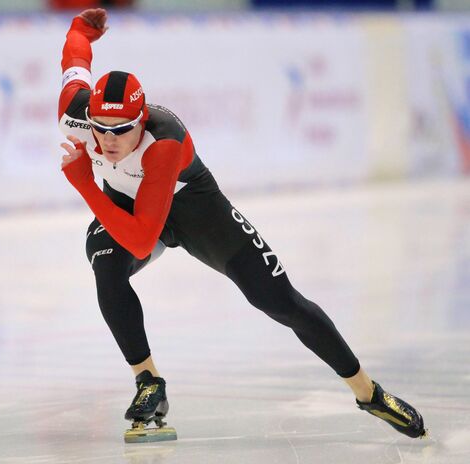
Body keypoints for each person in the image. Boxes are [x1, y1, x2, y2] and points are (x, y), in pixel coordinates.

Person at [58, 8, 426, 440]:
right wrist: (83, 28)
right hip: (128, 199)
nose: (108, 140)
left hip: (194, 208)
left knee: (279, 301)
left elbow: (142, 241)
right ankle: (148, 381)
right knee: (105, 264)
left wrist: (86, 184)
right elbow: (74, 58)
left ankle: (369, 393)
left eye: (122, 129)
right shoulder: (74, 110)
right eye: (101, 128)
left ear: (141, 120)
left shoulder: (164, 142)